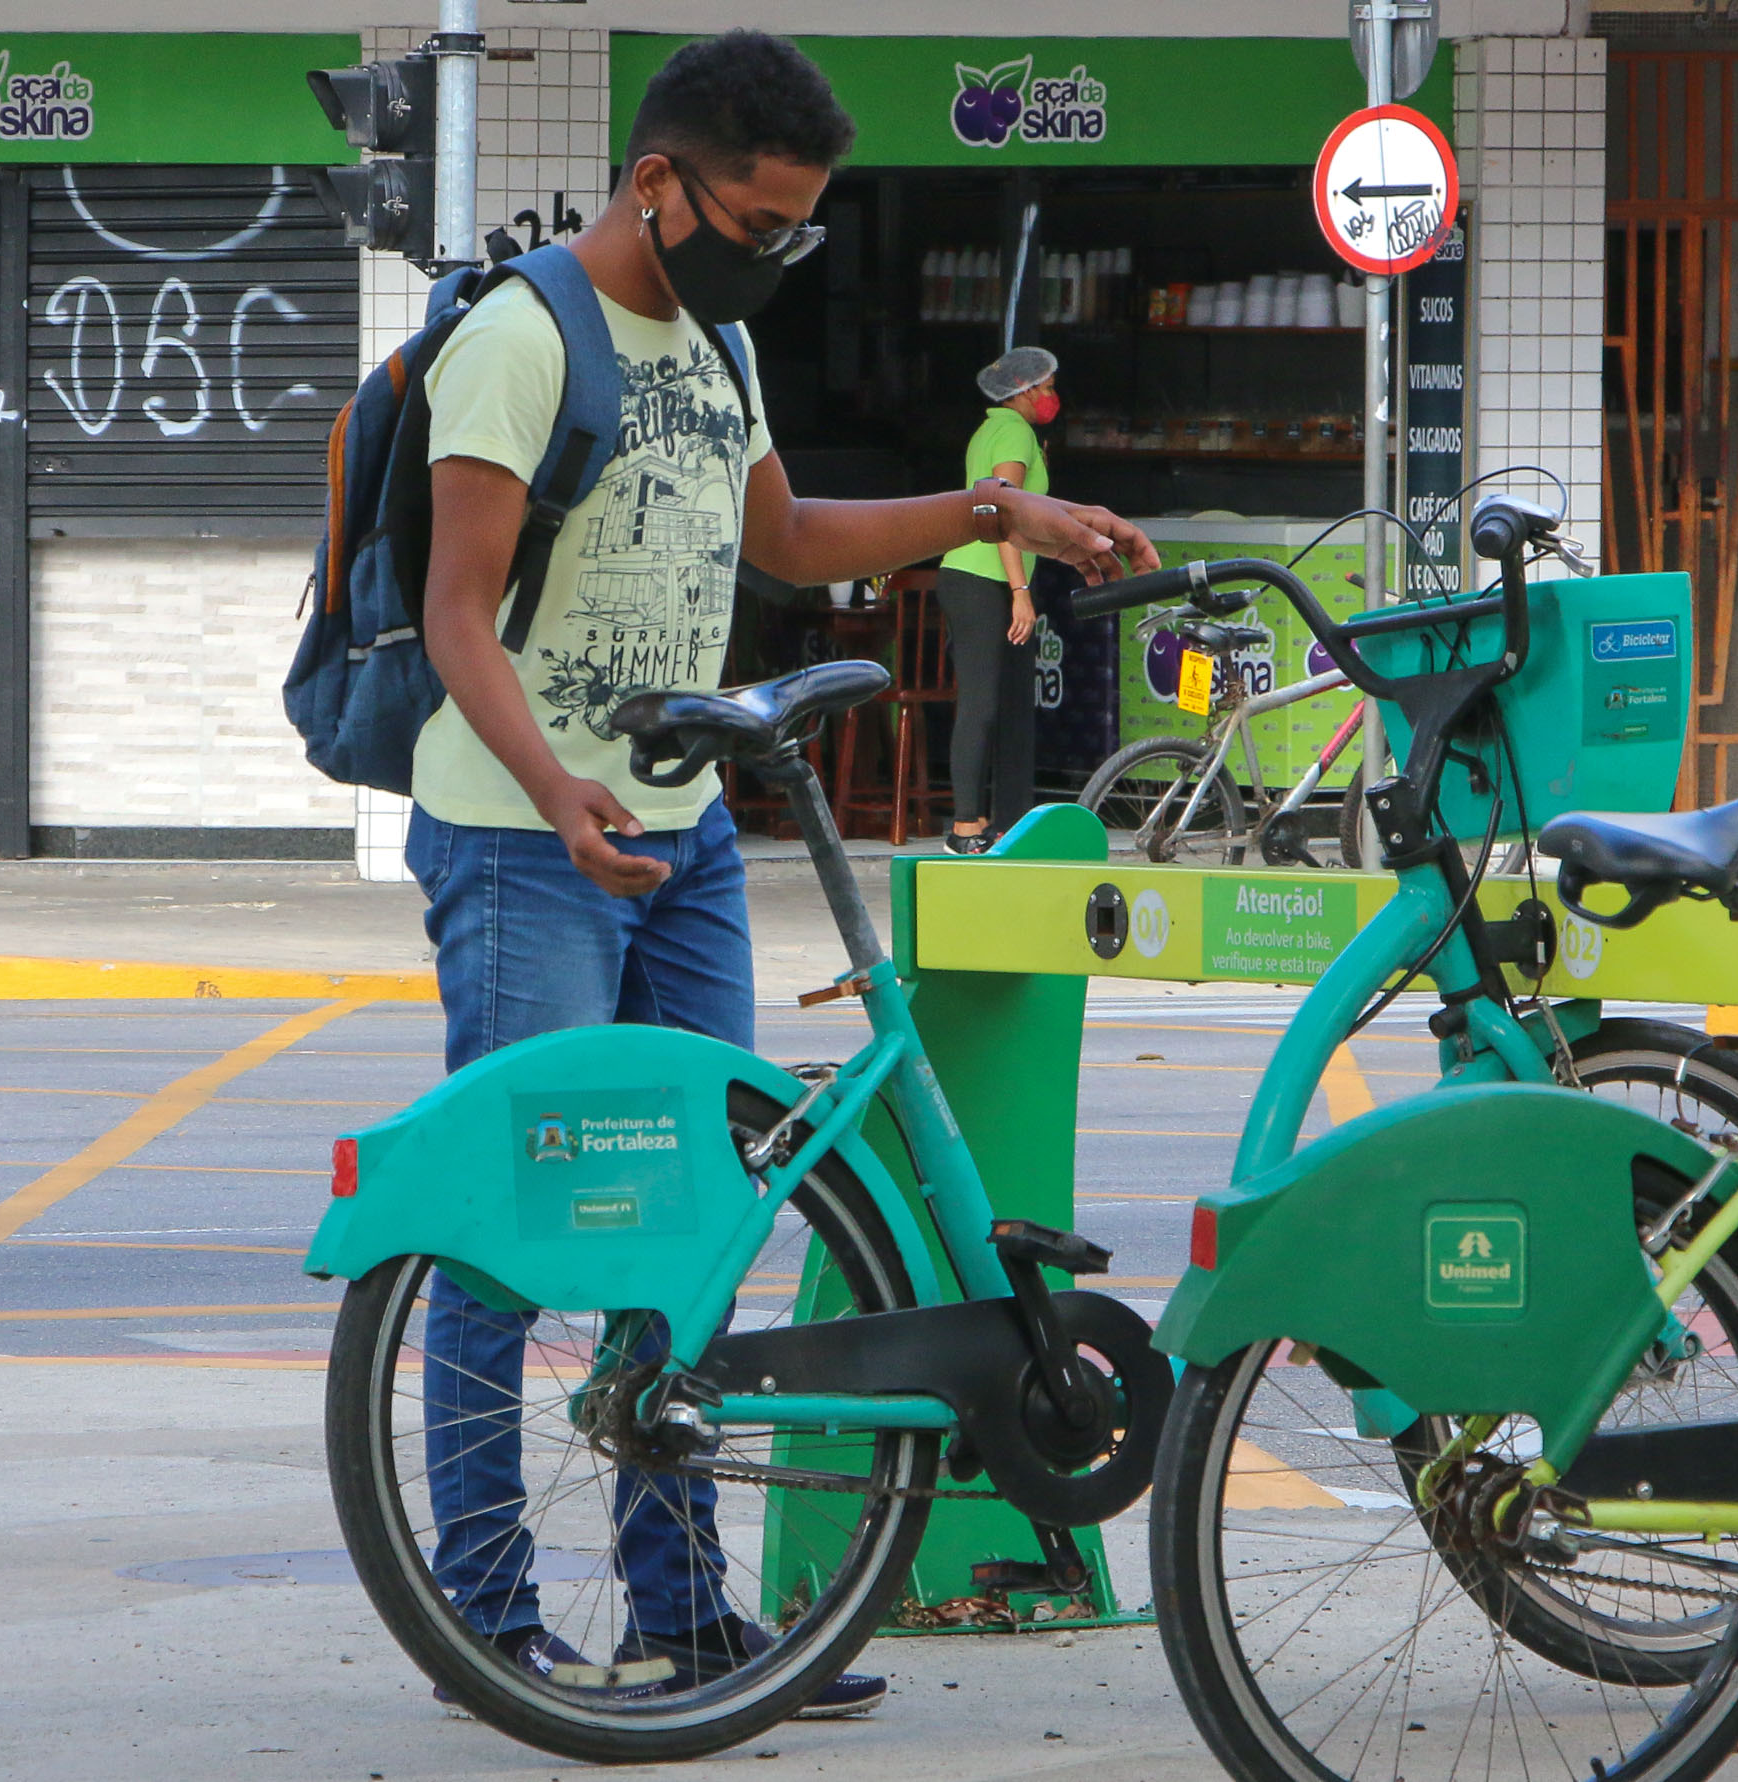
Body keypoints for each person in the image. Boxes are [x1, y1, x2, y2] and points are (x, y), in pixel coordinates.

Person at [405, 30, 1157, 1717]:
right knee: (512, 1229)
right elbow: (459, 611)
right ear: (658, 183)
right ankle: (481, 1612)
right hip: (530, 840)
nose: (774, 254)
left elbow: (789, 539)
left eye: (800, 231)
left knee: (696, 1220)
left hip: (681, 841)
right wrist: (559, 788)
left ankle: (687, 1612)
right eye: (758, 220)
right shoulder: (523, 340)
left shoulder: (718, 343)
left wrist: (997, 515)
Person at [932, 345, 1058, 853]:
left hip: (981, 578)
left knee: (994, 703)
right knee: (981, 704)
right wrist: (1020, 591)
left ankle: (993, 821)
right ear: (1024, 392)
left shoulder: (996, 429)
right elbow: (999, 512)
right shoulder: (1011, 431)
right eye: (1047, 389)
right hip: (982, 579)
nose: (1052, 398)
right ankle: (965, 827)